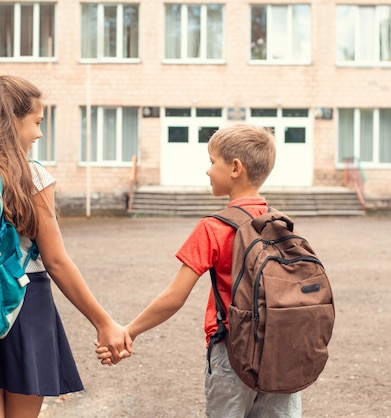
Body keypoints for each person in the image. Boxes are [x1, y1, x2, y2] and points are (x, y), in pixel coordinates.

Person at [0, 75, 132, 418]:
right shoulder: (30, 175)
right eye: (37, 122)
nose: (39, 133)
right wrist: (103, 322)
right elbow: (55, 260)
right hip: (23, 304)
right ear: (13, 121)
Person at [97, 124, 301, 417]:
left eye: (212, 161)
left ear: (235, 168)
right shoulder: (280, 222)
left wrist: (129, 331)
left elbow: (174, 296)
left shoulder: (214, 226)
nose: (207, 171)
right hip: (282, 348)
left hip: (234, 350)